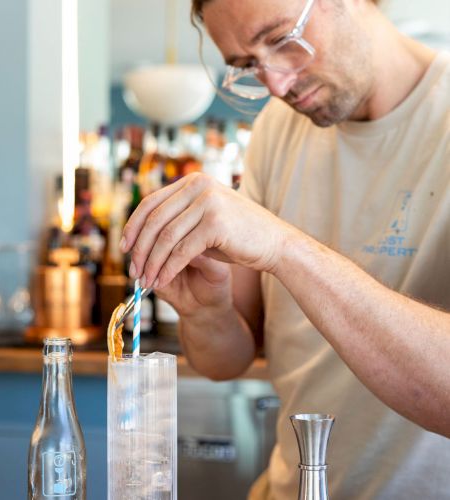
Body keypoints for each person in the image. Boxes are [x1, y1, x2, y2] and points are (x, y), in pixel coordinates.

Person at [120, 0, 450, 498]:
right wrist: (207, 311)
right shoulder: (279, 129)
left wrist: (283, 247)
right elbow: (224, 361)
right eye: (246, 65)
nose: (274, 84)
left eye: (280, 39)